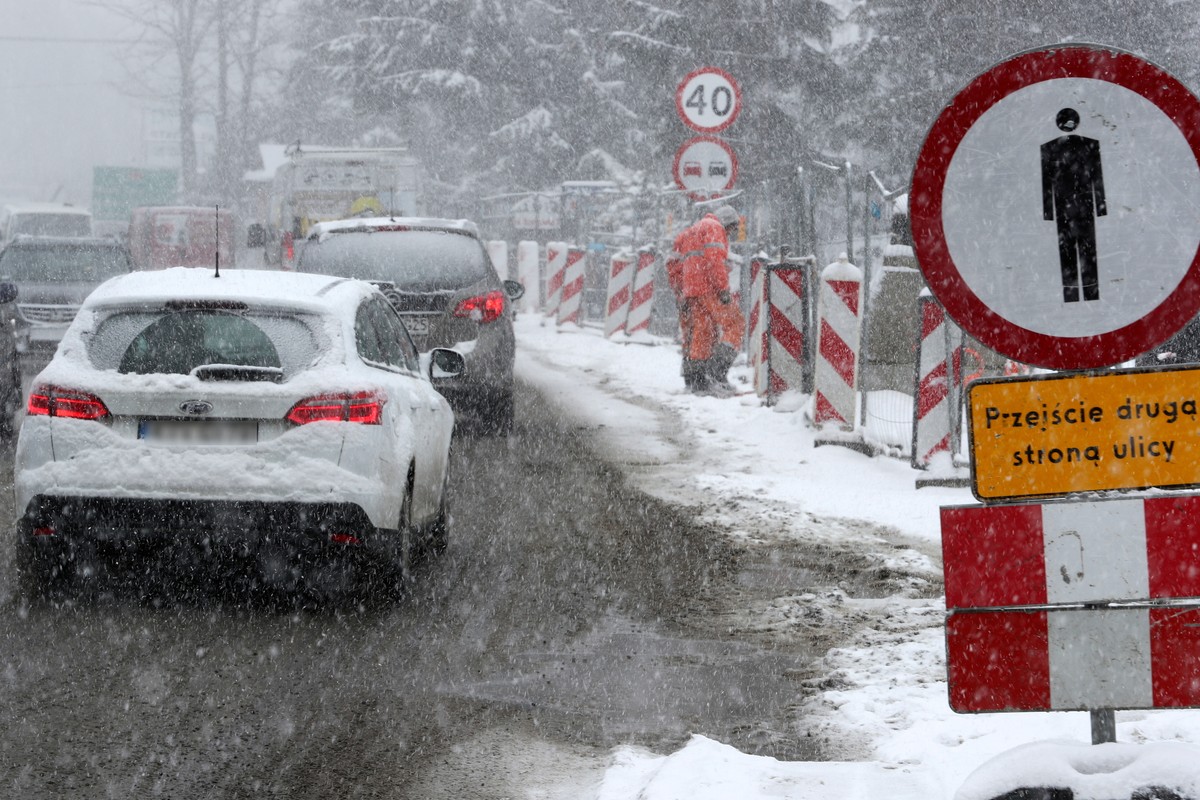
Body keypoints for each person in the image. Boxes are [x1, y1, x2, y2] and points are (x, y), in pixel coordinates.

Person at [676, 204, 744, 396]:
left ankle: (698, 380)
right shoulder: (714, 227)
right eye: (731, 228)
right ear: (727, 222)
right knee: (735, 324)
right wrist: (722, 288)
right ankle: (716, 373)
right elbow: (714, 260)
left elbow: (682, 257)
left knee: (702, 330)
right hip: (709, 286)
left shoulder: (695, 228)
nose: (729, 234)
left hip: (692, 288)